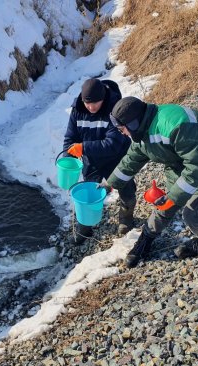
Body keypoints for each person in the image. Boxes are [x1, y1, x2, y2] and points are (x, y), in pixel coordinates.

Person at [104, 96, 198, 267]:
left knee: (193, 214)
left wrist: (174, 197)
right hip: (180, 164)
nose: (121, 133)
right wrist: (110, 184)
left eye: (122, 129)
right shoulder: (143, 130)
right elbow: (131, 159)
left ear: (133, 123)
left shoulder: (177, 125)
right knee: (165, 204)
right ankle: (145, 240)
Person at [63, 78, 135, 244]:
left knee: (126, 188)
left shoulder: (115, 110)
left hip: (117, 157)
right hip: (92, 160)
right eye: (87, 103)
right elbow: (70, 137)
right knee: (89, 192)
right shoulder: (77, 110)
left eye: (95, 103)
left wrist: (83, 148)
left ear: (103, 98)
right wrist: (68, 159)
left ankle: (126, 218)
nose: (91, 107)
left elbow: (113, 144)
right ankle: (86, 226)